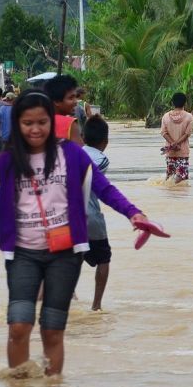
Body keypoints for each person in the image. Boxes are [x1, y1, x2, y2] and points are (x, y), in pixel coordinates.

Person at [0, 93, 150, 376]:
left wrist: (134, 214)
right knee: (18, 327)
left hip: (64, 255)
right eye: (28, 123)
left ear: (53, 123)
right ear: (17, 124)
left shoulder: (72, 155)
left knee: (52, 331)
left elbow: (104, 189)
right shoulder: (6, 162)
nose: (36, 129)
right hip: (22, 254)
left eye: (42, 122)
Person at [81, 116, 114, 311]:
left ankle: (69, 296)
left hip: (67, 217)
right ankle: (96, 305)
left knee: (72, 257)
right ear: (106, 142)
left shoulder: (73, 154)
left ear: (83, 137)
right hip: (91, 216)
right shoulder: (102, 160)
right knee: (103, 259)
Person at [160, 92, 193, 182]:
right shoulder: (189, 116)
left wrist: (172, 144)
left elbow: (163, 133)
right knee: (182, 178)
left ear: (173, 103)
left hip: (170, 152)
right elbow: (187, 134)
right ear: (185, 103)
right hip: (183, 152)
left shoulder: (165, 116)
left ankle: (168, 195)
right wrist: (176, 144)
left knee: (169, 177)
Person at [45, 74, 84, 145]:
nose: (76, 102)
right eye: (71, 98)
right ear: (56, 101)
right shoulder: (69, 124)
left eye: (76, 97)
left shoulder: (41, 122)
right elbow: (80, 154)